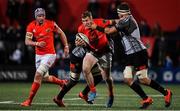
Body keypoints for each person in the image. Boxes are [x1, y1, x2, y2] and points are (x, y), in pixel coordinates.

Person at [91, 2, 172, 109]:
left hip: (138, 52)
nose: (119, 16)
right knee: (127, 79)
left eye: (120, 14)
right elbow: (116, 21)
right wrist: (106, 21)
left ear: (122, 14)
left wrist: (96, 26)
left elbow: (109, 31)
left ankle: (166, 92)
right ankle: (146, 99)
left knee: (143, 79)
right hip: (130, 54)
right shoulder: (126, 18)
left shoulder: (126, 20)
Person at [21, 8, 69, 107]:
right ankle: (62, 82)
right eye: (39, 16)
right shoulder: (31, 26)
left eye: (43, 15)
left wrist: (66, 46)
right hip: (38, 55)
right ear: (36, 17)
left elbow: (61, 33)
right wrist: (37, 43)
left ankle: (29, 101)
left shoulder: (51, 24)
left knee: (38, 75)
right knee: (45, 78)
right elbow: (27, 41)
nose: (41, 17)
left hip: (50, 55)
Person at [76, 11, 115, 108]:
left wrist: (125, 20)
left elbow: (114, 22)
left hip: (105, 51)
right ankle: (92, 91)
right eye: (83, 21)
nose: (85, 23)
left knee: (107, 78)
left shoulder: (100, 22)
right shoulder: (81, 28)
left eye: (87, 20)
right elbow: (80, 41)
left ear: (91, 19)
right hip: (93, 51)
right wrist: (78, 44)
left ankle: (111, 95)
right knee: (85, 68)